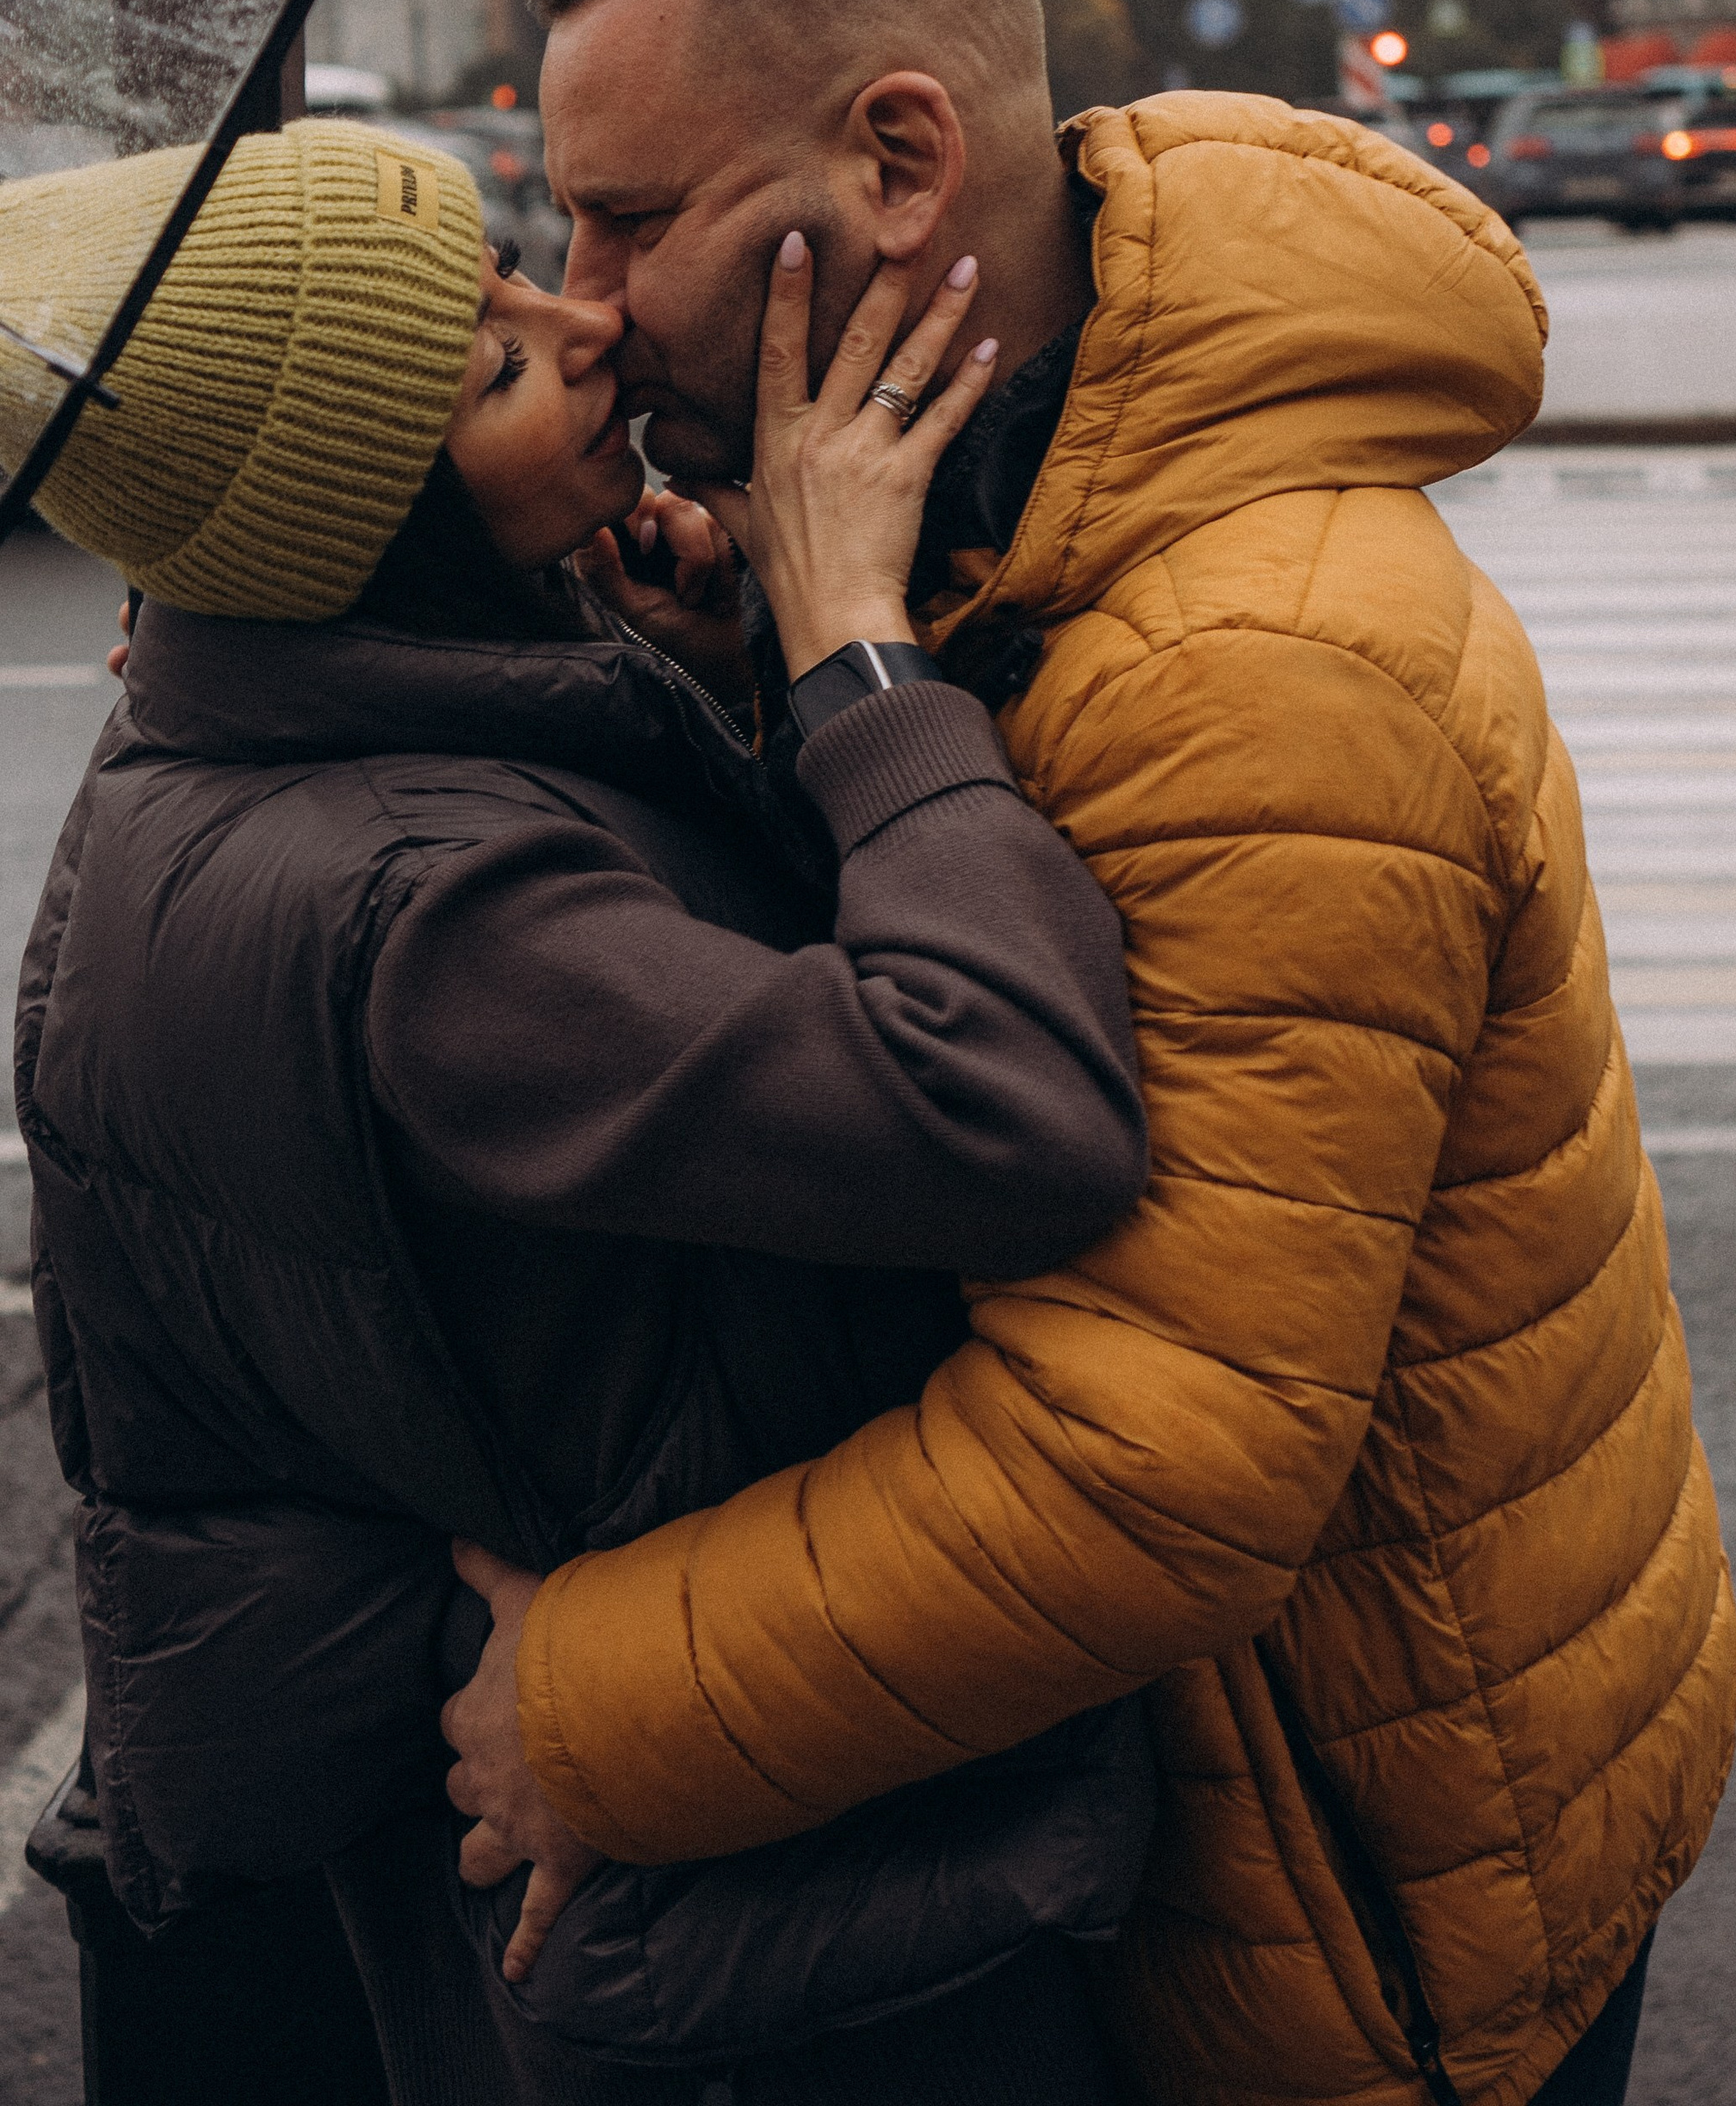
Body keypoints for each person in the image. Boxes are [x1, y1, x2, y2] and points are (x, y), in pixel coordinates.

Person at [442, 0, 1736, 2106]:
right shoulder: (990, 520)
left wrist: (585, 1712)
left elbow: (1153, 1470)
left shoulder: (1255, 665)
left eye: (631, 216)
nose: (589, 299)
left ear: (902, 162)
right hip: (1275, 1784)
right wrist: (775, 663)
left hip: (1358, 1876)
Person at [7, 116, 1154, 2103]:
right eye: (500, 368)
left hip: (551, 1869)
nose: (588, 325)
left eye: (519, 275)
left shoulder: (211, 741)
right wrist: (856, 656)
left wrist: (678, 670)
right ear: (381, 533)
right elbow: (1005, 1112)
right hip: (716, 1951)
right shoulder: (444, 913)